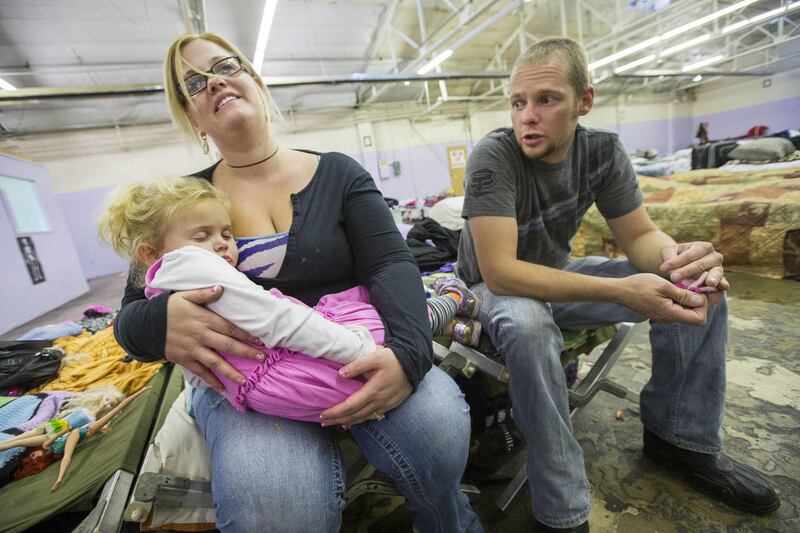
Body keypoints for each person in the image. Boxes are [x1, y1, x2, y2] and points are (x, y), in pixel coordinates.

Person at [112, 32, 482, 533]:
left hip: (352, 347)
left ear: (254, 79)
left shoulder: (338, 174)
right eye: (194, 84)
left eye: (225, 66)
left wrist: (409, 355)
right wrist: (163, 321)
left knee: (436, 433)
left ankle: (448, 522)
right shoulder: (182, 203)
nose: (214, 82)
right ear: (193, 117)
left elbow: (390, 265)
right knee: (276, 507)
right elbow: (129, 318)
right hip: (247, 376)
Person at [456, 37, 779, 532]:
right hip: (490, 291)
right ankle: (561, 511)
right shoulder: (494, 156)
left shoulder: (602, 151)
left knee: (697, 288)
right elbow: (501, 271)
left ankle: (679, 439)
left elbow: (641, 236)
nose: (528, 117)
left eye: (547, 99)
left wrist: (678, 260)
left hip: (558, 273)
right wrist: (619, 291)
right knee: (528, 325)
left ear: (584, 101)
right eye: (518, 103)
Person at [99, 176, 478, 422]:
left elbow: (389, 262)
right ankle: (448, 307)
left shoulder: (176, 269)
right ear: (149, 253)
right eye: (203, 237)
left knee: (390, 327)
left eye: (228, 234)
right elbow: (278, 321)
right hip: (306, 346)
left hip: (290, 357)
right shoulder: (192, 264)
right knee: (378, 329)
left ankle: (447, 308)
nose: (222, 244)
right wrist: (360, 349)